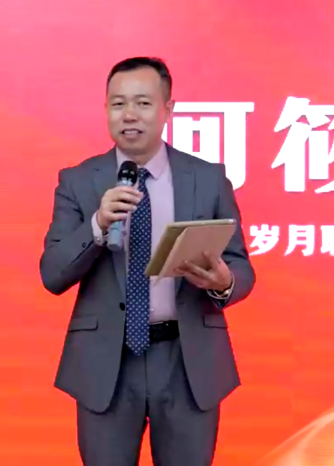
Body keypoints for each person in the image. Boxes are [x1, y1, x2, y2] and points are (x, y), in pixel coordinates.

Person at [39, 56, 256, 466]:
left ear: (167, 109)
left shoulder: (207, 178)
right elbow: (52, 274)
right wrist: (97, 225)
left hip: (187, 362)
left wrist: (222, 281)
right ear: (106, 109)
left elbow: (241, 267)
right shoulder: (78, 181)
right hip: (107, 363)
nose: (129, 115)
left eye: (142, 103)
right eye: (118, 104)